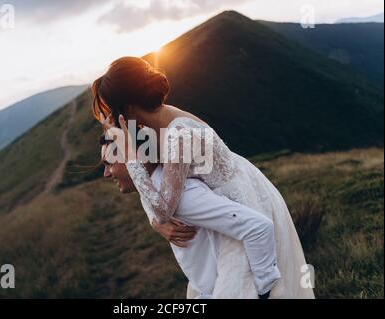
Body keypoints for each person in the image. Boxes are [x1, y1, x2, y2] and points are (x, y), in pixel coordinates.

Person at [93, 56, 315, 298]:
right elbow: (155, 179)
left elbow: (164, 207)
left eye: (112, 111)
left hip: (240, 201)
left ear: (126, 108)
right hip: (228, 196)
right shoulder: (157, 122)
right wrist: (155, 223)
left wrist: (131, 158)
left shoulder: (177, 133)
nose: (112, 120)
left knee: (242, 286)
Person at [100, 135, 280, 298]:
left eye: (109, 163)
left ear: (135, 158)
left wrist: (263, 290)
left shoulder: (182, 197)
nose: (105, 173)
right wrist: (155, 221)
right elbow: (146, 196)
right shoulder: (155, 191)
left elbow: (258, 227)